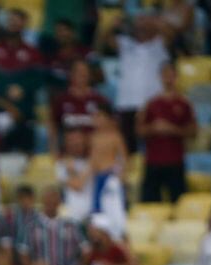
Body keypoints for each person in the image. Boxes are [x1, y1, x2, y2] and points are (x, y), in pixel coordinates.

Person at [0, 8, 43, 153]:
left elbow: (38, 81)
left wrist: (23, 88)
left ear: (25, 24)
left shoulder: (33, 53)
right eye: (10, 20)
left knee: (25, 161)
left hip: (23, 116)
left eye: (17, 20)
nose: (13, 24)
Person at [137, 62, 197, 203]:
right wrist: (153, 128)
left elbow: (193, 131)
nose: (168, 78)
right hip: (153, 161)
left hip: (175, 161)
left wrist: (172, 129)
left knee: (178, 202)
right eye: (165, 75)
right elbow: (139, 130)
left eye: (171, 75)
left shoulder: (184, 103)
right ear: (160, 77)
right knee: (149, 203)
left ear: (176, 77)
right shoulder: (151, 103)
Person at [109, 14, 169, 152]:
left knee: (154, 148)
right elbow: (106, 39)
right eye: (139, 21)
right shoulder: (125, 44)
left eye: (144, 21)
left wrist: (157, 23)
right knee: (127, 148)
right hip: (126, 105)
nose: (141, 26)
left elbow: (170, 33)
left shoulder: (159, 45)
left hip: (152, 105)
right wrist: (113, 26)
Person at [28, 185, 89, 265]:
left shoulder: (71, 225)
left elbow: (86, 250)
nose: (51, 203)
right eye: (48, 200)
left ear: (59, 202)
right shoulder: (33, 226)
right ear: (43, 201)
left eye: (54, 200)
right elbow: (24, 252)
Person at [50, 60, 109, 154]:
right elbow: (53, 127)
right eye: (79, 72)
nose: (82, 75)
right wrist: (54, 151)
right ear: (71, 75)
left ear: (90, 75)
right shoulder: (62, 100)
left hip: (94, 154)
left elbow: (108, 128)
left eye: (85, 72)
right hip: (68, 155)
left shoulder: (100, 100)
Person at [88, 105, 128, 235]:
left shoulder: (115, 136)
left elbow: (123, 158)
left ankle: (116, 235)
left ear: (108, 119)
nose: (96, 120)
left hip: (111, 176)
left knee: (114, 211)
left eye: (100, 117)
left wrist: (121, 176)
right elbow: (93, 160)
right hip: (98, 177)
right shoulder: (93, 138)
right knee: (98, 212)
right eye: (95, 117)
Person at [56, 129, 93, 223]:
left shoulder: (92, 162)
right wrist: (71, 170)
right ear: (67, 144)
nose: (75, 144)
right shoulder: (61, 164)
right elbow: (77, 185)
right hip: (73, 214)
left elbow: (79, 184)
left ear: (85, 141)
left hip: (93, 214)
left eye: (78, 141)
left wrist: (71, 171)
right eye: (72, 141)